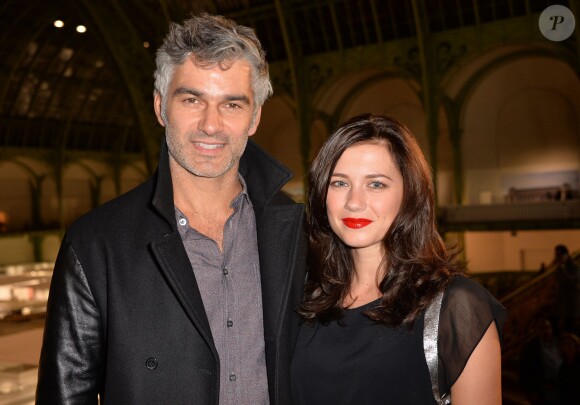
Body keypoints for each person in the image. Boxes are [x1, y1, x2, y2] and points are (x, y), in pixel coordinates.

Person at [36, 14, 307, 405]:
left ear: (255, 117)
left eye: (231, 104)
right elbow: (66, 393)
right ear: (161, 107)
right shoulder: (96, 243)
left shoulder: (296, 230)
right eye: (192, 99)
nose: (211, 125)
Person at [291, 114, 507, 405]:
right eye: (339, 183)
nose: (354, 202)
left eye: (376, 184)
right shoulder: (303, 298)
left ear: (409, 194)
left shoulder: (458, 306)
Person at [518, 313, 562, 405]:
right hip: (543, 391)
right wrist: (530, 392)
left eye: (547, 328)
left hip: (561, 389)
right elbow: (524, 372)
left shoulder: (560, 343)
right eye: (541, 328)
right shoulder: (530, 348)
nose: (545, 331)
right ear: (537, 330)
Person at [552, 244, 580, 334]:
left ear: (566, 255)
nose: (558, 258)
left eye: (559, 256)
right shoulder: (559, 269)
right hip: (562, 308)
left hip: (572, 308)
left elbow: (571, 282)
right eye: (556, 256)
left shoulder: (575, 268)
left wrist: (563, 269)